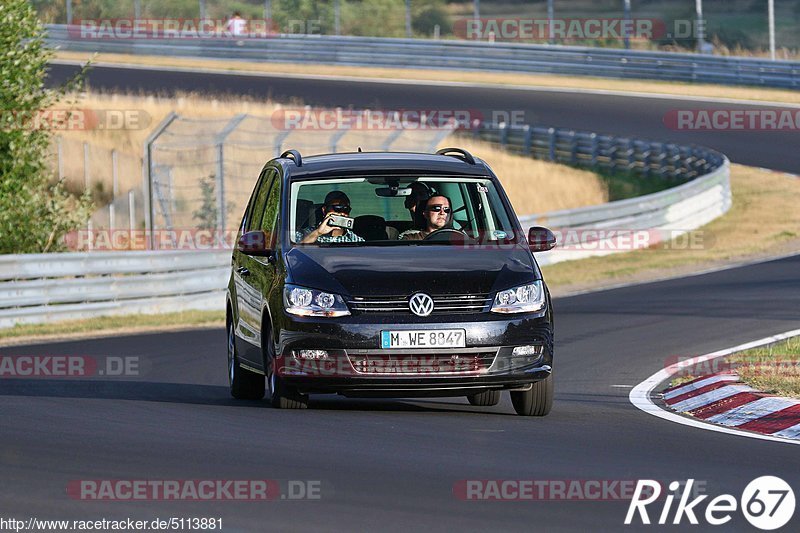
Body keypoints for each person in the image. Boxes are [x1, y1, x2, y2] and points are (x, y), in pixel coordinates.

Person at [297, 191, 364, 244]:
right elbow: (294, 253)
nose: (342, 213)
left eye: (346, 209)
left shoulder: (355, 240)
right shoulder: (304, 234)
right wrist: (318, 233)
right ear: (324, 210)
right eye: (337, 208)